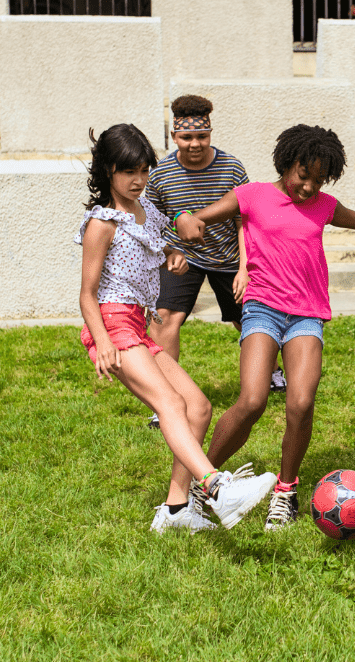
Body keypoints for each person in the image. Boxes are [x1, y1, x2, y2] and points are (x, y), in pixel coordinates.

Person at [175, 124, 355, 531]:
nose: (308, 188)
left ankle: (285, 492)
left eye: (318, 180)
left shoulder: (324, 205)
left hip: (306, 313)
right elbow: (200, 216)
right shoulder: (253, 194)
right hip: (263, 308)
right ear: (286, 163)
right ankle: (204, 483)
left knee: (301, 403)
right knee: (253, 400)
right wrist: (185, 220)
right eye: (302, 176)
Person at [76, 123, 277, 534]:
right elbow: (87, 294)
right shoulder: (103, 222)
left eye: (144, 171)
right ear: (108, 171)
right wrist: (102, 343)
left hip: (138, 325)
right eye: (128, 172)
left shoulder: (145, 211)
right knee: (169, 404)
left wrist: (172, 255)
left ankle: (175, 510)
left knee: (198, 408)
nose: (138, 181)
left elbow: (157, 240)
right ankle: (218, 487)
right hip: (113, 325)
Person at [143, 95, 284, 431]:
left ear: (210, 133)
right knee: (165, 322)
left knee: (247, 318)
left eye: (202, 137)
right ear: (174, 137)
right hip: (181, 257)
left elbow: (245, 221)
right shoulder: (160, 175)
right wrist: (167, 252)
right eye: (187, 137)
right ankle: (164, 399)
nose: (195, 144)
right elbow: (148, 221)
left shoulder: (231, 168)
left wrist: (244, 268)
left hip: (227, 257)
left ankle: (274, 373)